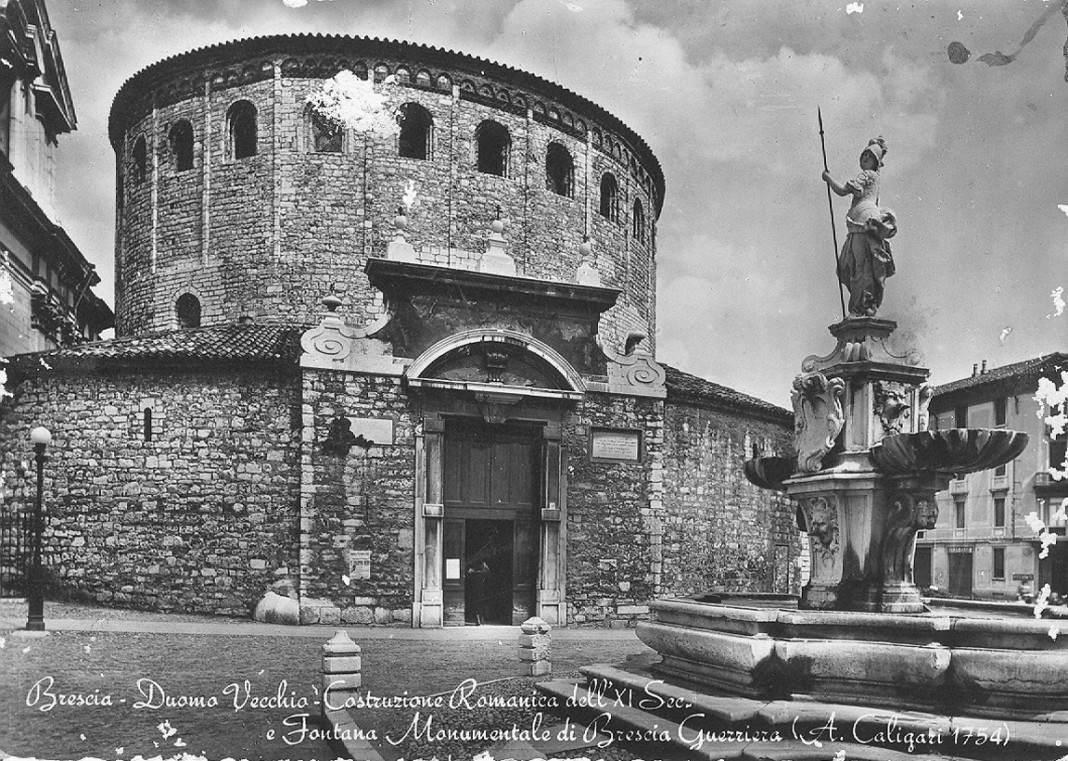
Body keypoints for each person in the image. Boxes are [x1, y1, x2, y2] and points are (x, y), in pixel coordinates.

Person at [822, 137, 897, 317]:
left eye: (869, 156)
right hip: (866, 220)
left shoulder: (867, 175)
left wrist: (827, 177)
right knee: (864, 265)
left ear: (876, 162)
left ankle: (860, 308)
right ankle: (865, 305)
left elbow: (841, 190)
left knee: (859, 265)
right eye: (864, 154)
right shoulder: (875, 178)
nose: (865, 158)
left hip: (863, 220)